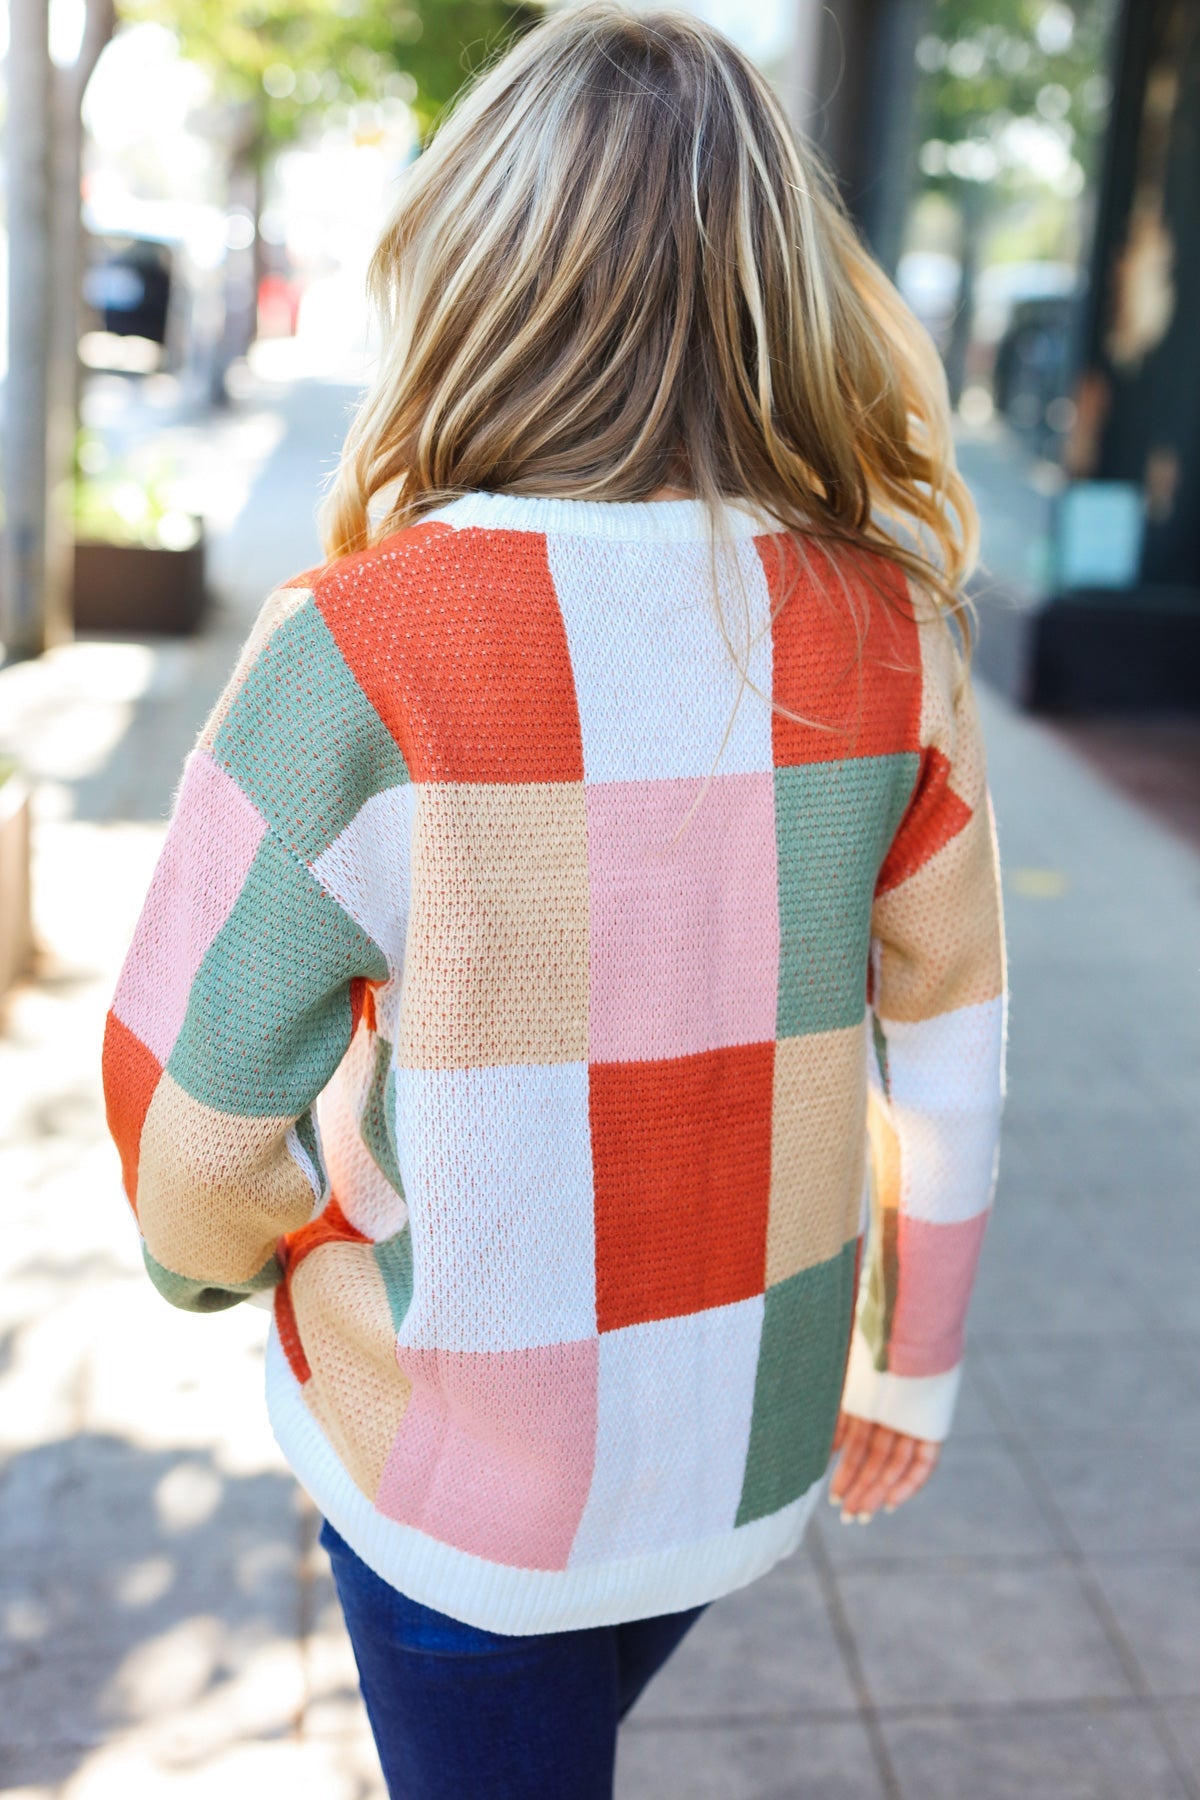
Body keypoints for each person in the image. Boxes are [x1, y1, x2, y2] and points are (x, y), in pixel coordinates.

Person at [101, 7, 1007, 1795]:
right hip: (739, 1442)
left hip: (457, 1465)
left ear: (471, 275)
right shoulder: (897, 638)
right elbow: (957, 1051)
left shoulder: (360, 650)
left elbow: (190, 1129)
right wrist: (917, 1360)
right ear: (785, 289)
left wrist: (246, 1271)